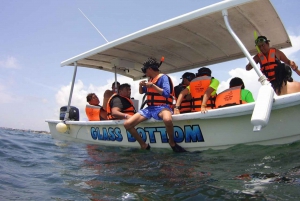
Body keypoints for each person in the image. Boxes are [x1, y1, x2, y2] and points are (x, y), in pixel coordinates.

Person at [124, 57, 186, 152]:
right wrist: (141, 85)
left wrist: (153, 86)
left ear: (149, 69)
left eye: (145, 71)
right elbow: (141, 92)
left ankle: (172, 142)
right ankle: (143, 145)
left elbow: (166, 93)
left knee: (167, 119)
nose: (145, 73)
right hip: (150, 108)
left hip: (162, 107)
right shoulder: (150, 79)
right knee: (127, 124)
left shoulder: (163, 78)